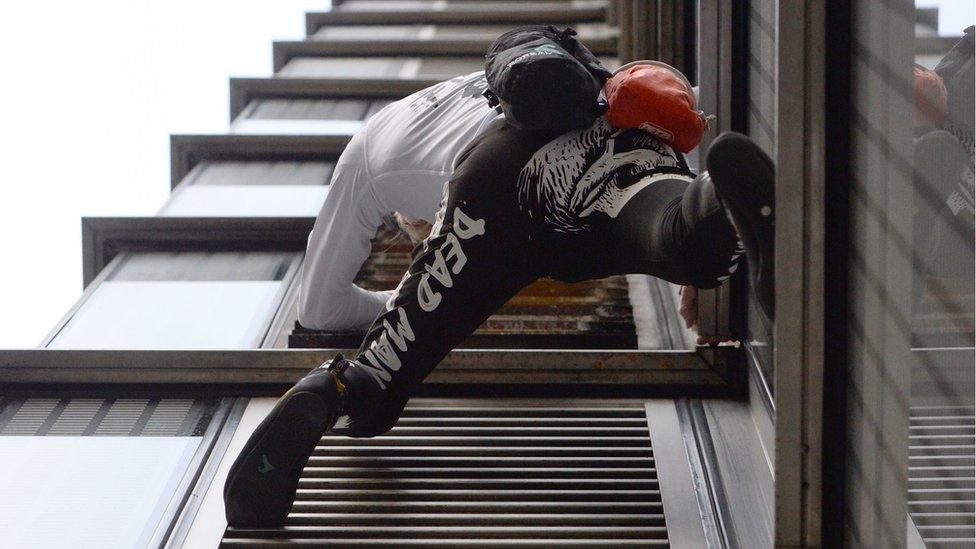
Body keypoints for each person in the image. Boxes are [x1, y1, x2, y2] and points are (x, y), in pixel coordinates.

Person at [223, 67, 773, 528]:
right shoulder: (494, 80)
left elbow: (320, 312)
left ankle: (332, 389)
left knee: (381, 374)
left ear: (416, 226)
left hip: (492, 182)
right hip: (613, 124)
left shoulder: (366, 150)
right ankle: (716, 203)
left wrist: (403, 303)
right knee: (668, 231)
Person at [297, 71, 503, 331]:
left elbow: (318, 311)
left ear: (417, 218)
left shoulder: (370, 168)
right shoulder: (402, 112)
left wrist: (407, 296)